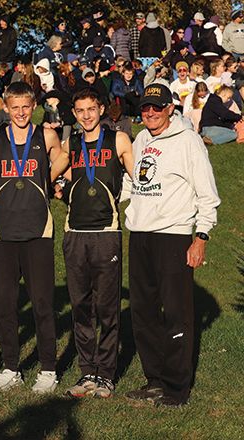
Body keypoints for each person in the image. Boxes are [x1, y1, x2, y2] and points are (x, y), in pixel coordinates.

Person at [124, 83, 220, 407]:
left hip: (174, 234)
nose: (150, 113)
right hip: (140, 233)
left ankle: (178, 388)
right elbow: (131, 181)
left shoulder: (188, 141)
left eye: (156, 107)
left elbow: (207, 193)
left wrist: (201, 236)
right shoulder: (140, 139)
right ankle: (154, 378)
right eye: (145, 108)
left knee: (176, 312)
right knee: (143, 311)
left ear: (170, 108)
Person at [0, 81, 69, 393]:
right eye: (14, 107)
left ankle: (48, 369)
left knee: (42, 302)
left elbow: (62, 158)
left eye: (25, 107)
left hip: (38, 229)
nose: (20, 112)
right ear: (5, 107)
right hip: (3, 230)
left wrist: (48, 179)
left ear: (34, 107)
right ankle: (11, 368)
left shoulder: (45, 135)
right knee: (5, 304)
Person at [54, 88, 134, 399]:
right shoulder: (71, 143)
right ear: (73, 114)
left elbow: (142, 178)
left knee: (108, 308)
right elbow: (48, 175)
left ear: (100, 109)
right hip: (75, 234)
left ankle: (107, 374)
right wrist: (58, 189)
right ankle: (87, 372)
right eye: (80, 110)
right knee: (80, 306)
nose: (86, 115)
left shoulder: (118, 140)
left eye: (91, 109)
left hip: (106, 233)